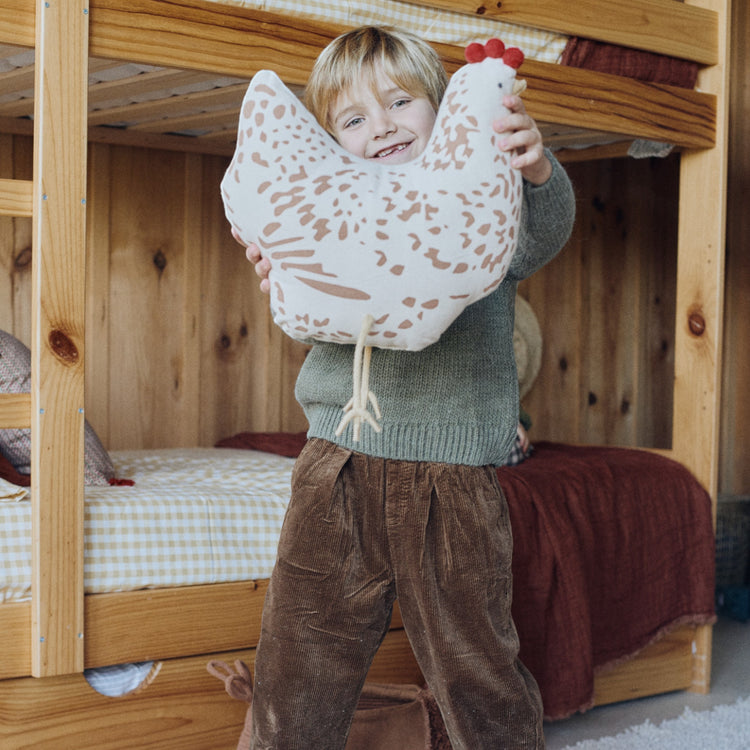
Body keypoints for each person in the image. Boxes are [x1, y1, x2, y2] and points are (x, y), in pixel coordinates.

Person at [239, 25, 575, 750]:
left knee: (476, 660)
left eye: (400, 102)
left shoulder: (476, 199)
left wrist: (537, 170)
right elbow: (317, 323)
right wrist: (282, 272)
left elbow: (541, 234)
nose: (382, 126)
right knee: (301, 653)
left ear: (442, 107)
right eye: (354, 119)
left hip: (450, 475)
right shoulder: (334, 210)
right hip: (337, 463)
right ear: (331, 143)